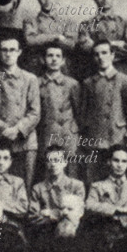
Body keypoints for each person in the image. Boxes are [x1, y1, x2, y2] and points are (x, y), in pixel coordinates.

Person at [0, 36, 41, 190]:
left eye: (12, 50)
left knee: (25, 185)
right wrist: (5, 129)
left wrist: (18, 129)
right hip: (0, 140)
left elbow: (35, 112)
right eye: (4, 50)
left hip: (25, 142)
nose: (8, 54)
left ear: (19, 52)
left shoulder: (30, 79)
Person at [80, 40, 127, 184]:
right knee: (93, 179)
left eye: (104, 53)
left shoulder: (125, 80)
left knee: (116, 177)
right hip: (95, 139)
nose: (101, 57)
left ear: (112, 55)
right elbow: (83, 115)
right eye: (96, 54)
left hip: (117, 137)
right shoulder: (88, 83)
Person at [85, 145, 127, 243]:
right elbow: (89, 205)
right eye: (116, 160)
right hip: (103, 237)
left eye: (124, 161)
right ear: (109, 162)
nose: (120, 165)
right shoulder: (97, 186)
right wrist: (116, 210)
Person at [38, 45, 82, 178]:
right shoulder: (36, 83)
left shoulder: (72, 84)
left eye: (58, 56)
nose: (54, 59)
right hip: (46, 134)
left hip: (67, 135)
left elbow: (79, 111)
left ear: (63, 61)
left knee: (70, 173)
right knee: (47, 171)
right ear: (43, 59)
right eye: (50, 55)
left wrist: (73, 130)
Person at [77, 0, 127, 77]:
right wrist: (116, 44)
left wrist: (96, 45)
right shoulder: (86, 24)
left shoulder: (125, 23)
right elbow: (85, 49)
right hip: (94, 73)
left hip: (121, 72)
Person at [23, 0, 77, 75]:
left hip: (62, 69)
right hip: (37, 68)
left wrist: (40, 38)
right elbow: (30, 40)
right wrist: (56, 37)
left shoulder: (69, 21)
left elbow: (71, 44)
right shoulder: (31, 21)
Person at [29, 146, 86, 232]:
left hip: (71, 231)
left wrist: (50, 213)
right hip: (45, 232)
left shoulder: (76, 186)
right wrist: (63, 214)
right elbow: (33, 217)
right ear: (45, 163)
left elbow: (77, 214)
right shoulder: (38, 188)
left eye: (57, 160)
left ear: (65, 163)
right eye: (49, 161)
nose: (53, 164)